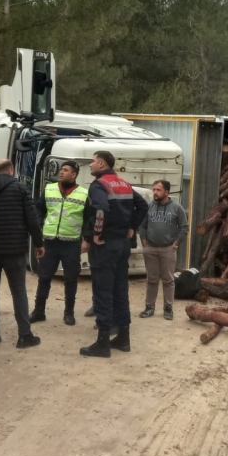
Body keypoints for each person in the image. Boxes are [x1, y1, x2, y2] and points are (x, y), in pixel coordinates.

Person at [79, 150, 149, 358]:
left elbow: (100, 208)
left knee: (103, 291)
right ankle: (123, 339)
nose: (90, 165)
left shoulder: (99, 185)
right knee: (120, 291)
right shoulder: (123, 184)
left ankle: (102, 343)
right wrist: (132, 226)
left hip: (106, 245)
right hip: (122, 244)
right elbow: (143, 205)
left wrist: (96, 233)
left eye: (93, 161)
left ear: (101, 164)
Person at [0, 159, 45, 349]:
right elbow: (32, 221)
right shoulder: (20, 189)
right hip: (15, 250)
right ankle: (24, 336)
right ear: (11, 170)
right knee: (18, 291)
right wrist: (39, 243)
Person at [29, 160, 88, 326]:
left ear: (74, 174)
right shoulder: (49, 189)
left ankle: (69, 313)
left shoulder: (84, 194)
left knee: (71, 279)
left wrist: (87, 239)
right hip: (50, 242)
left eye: (65, 170)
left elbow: (88, 218)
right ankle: (39, 311)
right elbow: (39, 208)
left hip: (71, 243)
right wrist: (40, 224)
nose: (61, 172)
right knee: (44, 277)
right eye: (61, 169)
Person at [137, 179, 189, 321]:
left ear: (167, 192)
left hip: (168, 249)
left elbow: (184, 227)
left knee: (168, 280)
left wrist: (175, 244)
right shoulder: (149, 206)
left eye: (158, 190)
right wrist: (144, 242)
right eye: (154, 189)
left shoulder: (176, 208)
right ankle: (149, 307)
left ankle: (168, 308)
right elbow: (142, 225)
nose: (155, 192)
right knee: (151, 280)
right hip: (150, 249)